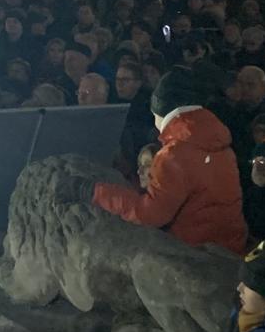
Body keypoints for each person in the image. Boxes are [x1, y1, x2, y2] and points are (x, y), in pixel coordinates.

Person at [74, 67, 247, 254]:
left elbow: (150, 214)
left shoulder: (175, 155)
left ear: (159, 109)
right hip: (232, 248)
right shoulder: (220, 144)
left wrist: (94, 192)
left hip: (195, 255)